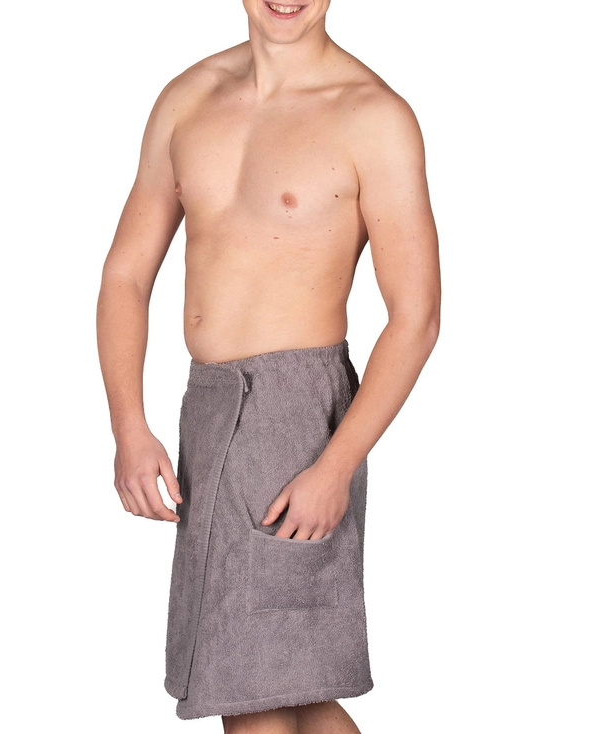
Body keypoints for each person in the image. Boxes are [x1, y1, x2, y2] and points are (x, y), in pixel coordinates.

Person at [97, 1, 440, 731]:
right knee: (287, 686)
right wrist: (129, 426)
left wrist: (336, 465)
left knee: (248, 690)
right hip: (208, 409)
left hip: (298, 419)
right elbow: (125, 275)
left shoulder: (373, 116)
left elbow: (416, 317)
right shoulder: (187, 99)